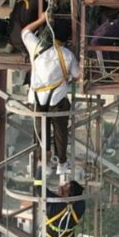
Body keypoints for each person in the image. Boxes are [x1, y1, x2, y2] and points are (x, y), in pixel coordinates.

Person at [21, 11, 78, 175]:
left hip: (37, 99)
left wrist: (40, 19)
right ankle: (62, 163)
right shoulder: (67, 55)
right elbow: (78, 75)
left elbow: (25, 32)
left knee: (41, 134)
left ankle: (44, 163)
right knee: (60, 133)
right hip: (58, 100)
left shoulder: (36, 47)